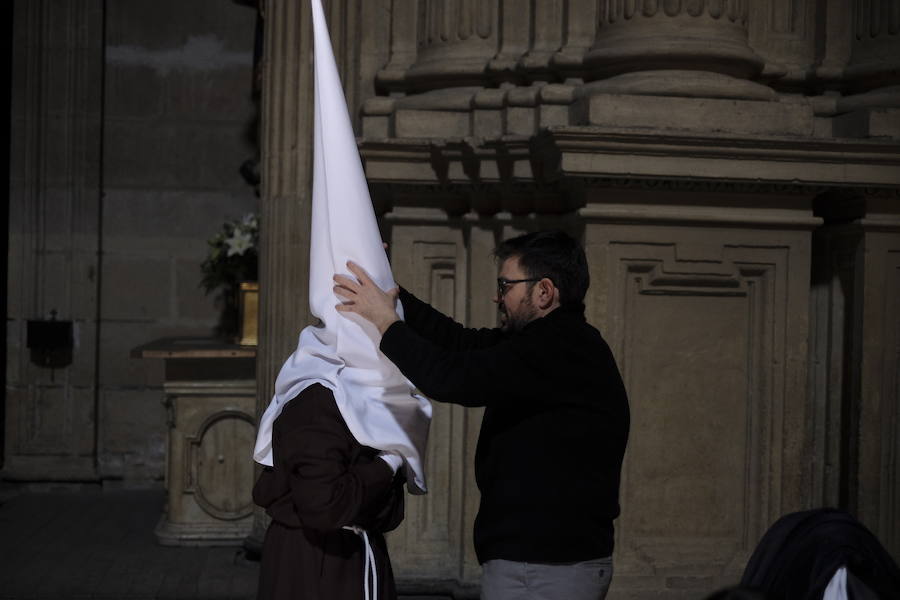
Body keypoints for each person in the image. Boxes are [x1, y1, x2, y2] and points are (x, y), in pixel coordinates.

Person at [334, 230, 630, 600]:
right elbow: (458, 341)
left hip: (547, 569)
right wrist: (388, 289)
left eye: (505, 285)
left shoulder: (560, 349)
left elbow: (452, 378)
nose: (497, 296)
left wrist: (386, 324)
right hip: (539, 564)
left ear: (544, 291)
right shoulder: (550, 342)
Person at [253, 383, 407, 600]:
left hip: (352, 549)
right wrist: (387, 465)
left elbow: (388, 514)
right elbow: (325, 503)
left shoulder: (365, 393)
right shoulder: (317, 399)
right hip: (317, 558)